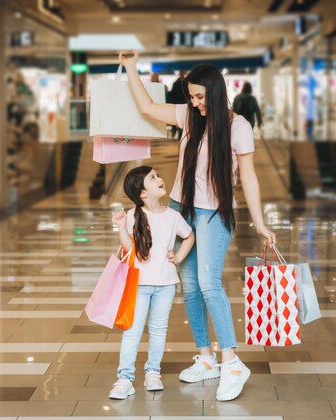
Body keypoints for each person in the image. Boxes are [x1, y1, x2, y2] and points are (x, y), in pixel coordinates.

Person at [119, 51, 276, 402]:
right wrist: (131, 68)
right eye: (191, 96)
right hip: (181, 208)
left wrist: (261, 222)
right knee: (188, 287)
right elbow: (146, 108)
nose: (194, 102)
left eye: (200, 96)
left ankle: (232, 361)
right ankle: (207, 359)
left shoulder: (238, 127)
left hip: (214, 214)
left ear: (216, 93)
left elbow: (248, 178)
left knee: (208, 283)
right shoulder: (190, 117)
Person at [109, 165, 195, 400]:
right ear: (142, 193)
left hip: (166, 284)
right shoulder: (133, 215)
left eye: (158, 175)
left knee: (158, 329)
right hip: (139, 283)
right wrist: (120, 228)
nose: (160, 178)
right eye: (153, 177)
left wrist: (178, 257)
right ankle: (125, 378)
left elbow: (188, 235)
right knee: (132, 331)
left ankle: (153, 372)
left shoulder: (173, 216)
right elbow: (129, 249)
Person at [167, 70, 186, 140]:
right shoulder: (179, 83)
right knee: (177, 120)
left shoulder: (183, 83)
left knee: (181, 120)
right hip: (178, 104)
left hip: (181, 104)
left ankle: (179, 135)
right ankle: (177, 134)